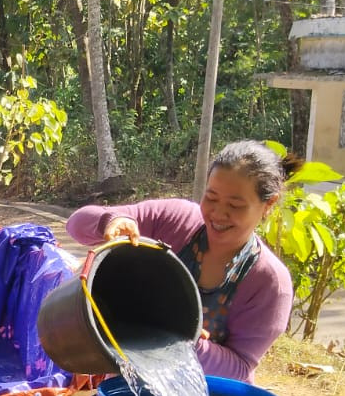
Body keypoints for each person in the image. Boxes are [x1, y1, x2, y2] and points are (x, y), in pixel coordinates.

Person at [65, 140, 296, 382]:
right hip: (127, 387)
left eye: (234, 205)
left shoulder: (269, 282)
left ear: (268, 205)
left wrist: (185, 337)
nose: (218, 213)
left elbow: (239, 369)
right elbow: (76, 224)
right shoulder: (174, 220)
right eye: (211, 198)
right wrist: (109, 222)